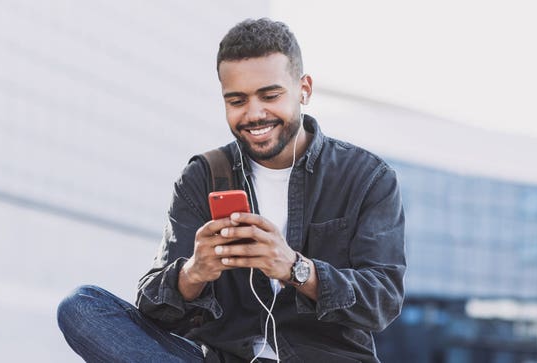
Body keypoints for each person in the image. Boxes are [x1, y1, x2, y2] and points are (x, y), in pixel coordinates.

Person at [58, 18, 405, 363]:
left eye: (270, 95)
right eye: (237, 100)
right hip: (220, 357)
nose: (254, 114)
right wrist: (193, 273)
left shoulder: (367, 177)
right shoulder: (203, 176)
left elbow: (383, 301)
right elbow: (153, 309)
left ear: (304, 89)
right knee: (82, 307)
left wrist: (296, 269)